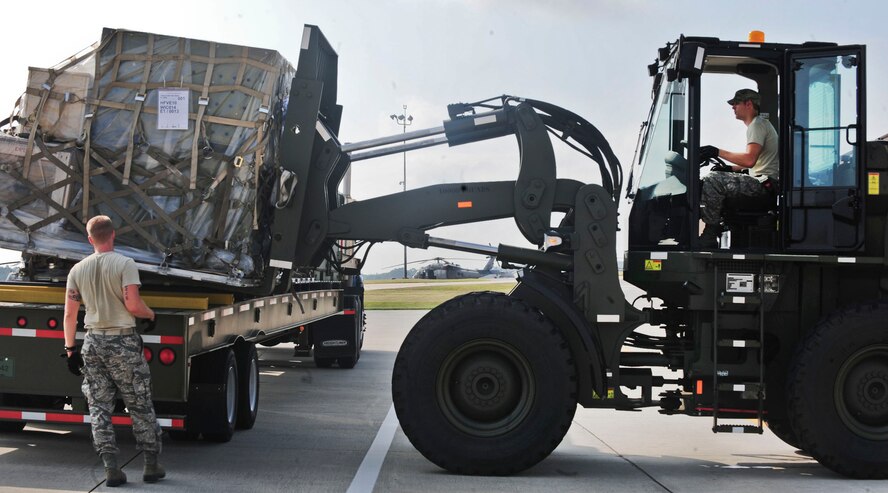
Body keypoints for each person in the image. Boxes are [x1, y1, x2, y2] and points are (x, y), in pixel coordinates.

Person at [63, 215, 164, 487]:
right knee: (139, 402)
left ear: (89, 239)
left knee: (99, 406)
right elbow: (133, 305)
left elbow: (70, 315)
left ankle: (111, 469)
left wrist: (71, 349)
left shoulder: (77, 270)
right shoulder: (125, 264)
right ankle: (151, 465)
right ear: (113, 235)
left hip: (93, 343)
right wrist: (151, 314)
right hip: (123, 343)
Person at [698, 88, 779, 247]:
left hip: (764, 185)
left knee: (712, 180)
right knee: (717, 177)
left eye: (736, 103)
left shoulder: (757, 125)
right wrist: (729, 169)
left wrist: (717, 151)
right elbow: (755, 163)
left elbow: (749, 160)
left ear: (748, 104)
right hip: (763, 181)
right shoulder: (760, 124)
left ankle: (710, 233)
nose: (733, 107)